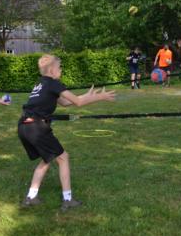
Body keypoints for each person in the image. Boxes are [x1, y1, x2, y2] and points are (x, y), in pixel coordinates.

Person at [19, 55, 116, 209]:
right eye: (59, 67)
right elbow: (78, 103)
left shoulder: (41, 83)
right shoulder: (54, 83)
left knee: (47, 159)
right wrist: (101, 97)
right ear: (51, 70)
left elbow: (65, 102)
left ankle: (31, 197)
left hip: (24, 126)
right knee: (63, 157)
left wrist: (87, 96)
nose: (61, 70)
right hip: (37, 127)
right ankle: (68, 199)